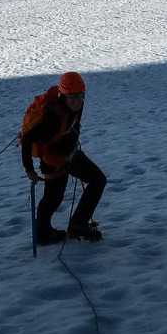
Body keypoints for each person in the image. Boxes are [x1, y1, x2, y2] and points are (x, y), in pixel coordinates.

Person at [21, 72, 107, 244]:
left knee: (98, 180)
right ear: (63, 95)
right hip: (54, 162)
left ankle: (78, 224)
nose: (76, 101)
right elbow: (28, 138)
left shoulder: (78, 105)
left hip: (72, 155)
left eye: (80, 96)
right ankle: (43, 234)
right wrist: (29, 169)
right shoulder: (53, 117)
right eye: (71, 96)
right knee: (53, 200)